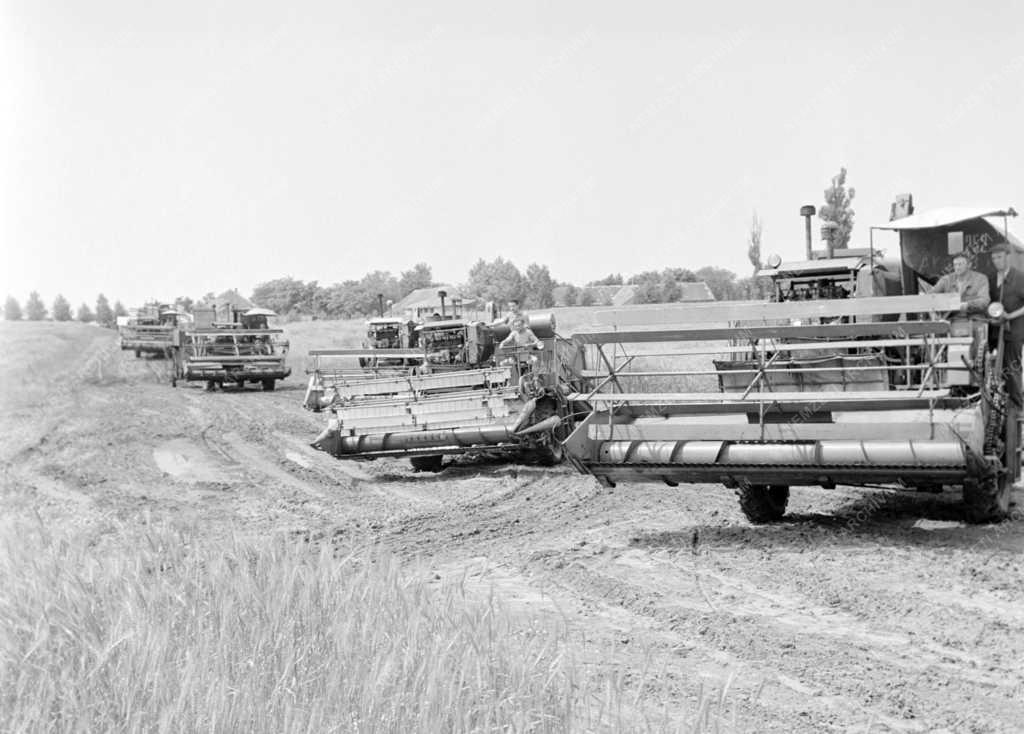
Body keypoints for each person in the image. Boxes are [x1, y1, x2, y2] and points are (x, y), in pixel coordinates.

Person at [989, 242, 1024, 408]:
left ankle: (1018, 407)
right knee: (995, 368)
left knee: (1012, 368)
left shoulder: (1019, 278)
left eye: (1000, 257)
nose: (997, 261)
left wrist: (1010, 315)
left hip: (1014, 330)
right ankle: (1000, 409)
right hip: (995, 331)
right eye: (994, 258)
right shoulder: (991, 278)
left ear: (1008, 257)